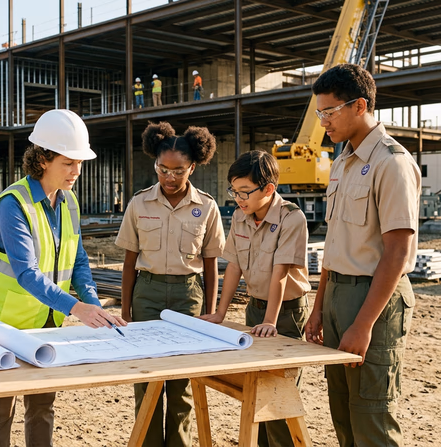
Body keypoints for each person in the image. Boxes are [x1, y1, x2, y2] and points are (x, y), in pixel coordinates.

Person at [0, 109, 127, 447]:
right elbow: (27, 272)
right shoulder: (12, 205)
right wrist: (77, 309)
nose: (76, 172)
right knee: (0, 409)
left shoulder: (69, 201)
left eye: (79, 163)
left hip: (47, 322)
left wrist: (93, 304)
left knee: (42, 405)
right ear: (43, 159)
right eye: (68, 163)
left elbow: (78, 258)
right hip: (3, 324)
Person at [304, 63, 421, 447]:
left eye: (330, 111)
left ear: (360, 106)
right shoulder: (341, 162)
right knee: (342, 410)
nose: (323, 121)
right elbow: (335, 245)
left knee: (372, 417)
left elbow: (397, 250)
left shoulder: (392, 162)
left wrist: (364, 324)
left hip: (373, 299)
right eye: (319, 112)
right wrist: (319, 306)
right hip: (338, 295)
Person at [115, 121, 224, 447]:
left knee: (182, 382)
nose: (170, 178)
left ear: (192, 167)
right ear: (155, 164)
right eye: (163, 169)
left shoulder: (206, 207)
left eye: (179, 171)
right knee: (146, 380)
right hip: (146, 295)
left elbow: (211, 265)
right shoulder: (138, 204)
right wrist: (126, 313)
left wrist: (211, 314)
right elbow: (130, 263)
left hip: (187, 297)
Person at [199, 150, 310, 447]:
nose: (239, 198)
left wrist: (271, 321)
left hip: (286, 312)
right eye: (234, 191)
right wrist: (220, 313)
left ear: (269, 189)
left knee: (278, 396)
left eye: (245, 192)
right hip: (255, 310)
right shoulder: (240, 216)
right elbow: (233, 265)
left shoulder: (291, 218)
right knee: (255, 394)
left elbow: (280, 273)